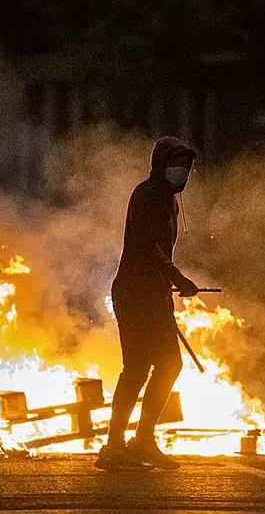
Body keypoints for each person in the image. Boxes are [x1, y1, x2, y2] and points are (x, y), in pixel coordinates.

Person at [95, 136, 199, 471]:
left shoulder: (170, 200)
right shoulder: (148, 195)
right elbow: (149, 246)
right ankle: (114, 447)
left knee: (170, 365)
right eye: (174, 165)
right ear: (159, 165)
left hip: (153, 294)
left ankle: (142, 440)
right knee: (138, 368)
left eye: (184, 167)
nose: (180, 172)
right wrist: (177, 278)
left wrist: (168, 282)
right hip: (134, 293)